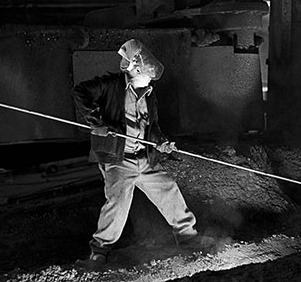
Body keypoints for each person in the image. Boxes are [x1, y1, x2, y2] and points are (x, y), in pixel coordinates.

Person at [71, 39, 212, 270]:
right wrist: (96, 122)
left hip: (144, 159)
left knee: (168, 188)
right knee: (117, 203)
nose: (150, 80)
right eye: (147, 74)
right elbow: (79, 92)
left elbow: (152, 127)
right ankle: (98, 255)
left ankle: (188, 238)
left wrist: (162, 142)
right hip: (119, 159)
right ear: (136, 68)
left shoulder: (148, 94)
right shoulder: (110, 85)